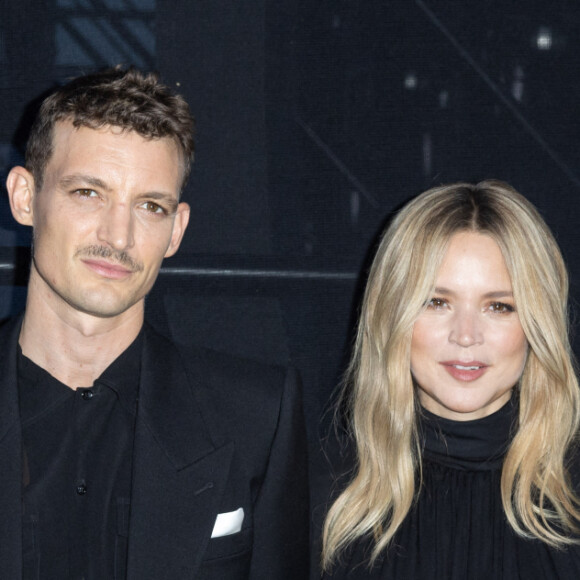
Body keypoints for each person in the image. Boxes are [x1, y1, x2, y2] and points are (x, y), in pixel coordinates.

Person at [3, 66, 309, 579]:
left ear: (176, 229)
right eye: (88, 193)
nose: (118, 234)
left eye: (149, 205)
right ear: (24, 197)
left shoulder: (256, 415)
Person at [320, 181, 580, 579]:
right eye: (437, 302)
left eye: (499, 306)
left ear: (536, 324)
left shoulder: (571, 495)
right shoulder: (326, 493)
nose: (465, 335)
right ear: (392, 313)